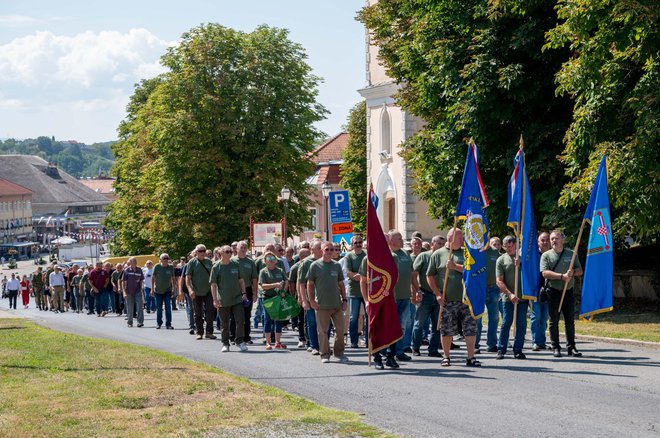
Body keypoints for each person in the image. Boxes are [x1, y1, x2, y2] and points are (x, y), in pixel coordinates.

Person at [427, 228, 481, 367]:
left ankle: (470, 357)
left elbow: (472, 272)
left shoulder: (467, 253)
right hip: (448, 300)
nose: (463, 240)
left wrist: (454, 266)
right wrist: (437, 294)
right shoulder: (438, 254)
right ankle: (446, 356)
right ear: (450, 239)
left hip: (467, 299)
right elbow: (430, 276)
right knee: (447, 329)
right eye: (460, 238)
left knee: (470, 329)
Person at [541, 230, 583, 358]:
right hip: (553, 291)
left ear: (562, 240)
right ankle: (556, 347)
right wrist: (562, 276)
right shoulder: (546, 255)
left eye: (556, 238)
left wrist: (573, 273)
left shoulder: (571, 254)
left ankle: (571, 347)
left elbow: (580, 270)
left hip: (568, 291)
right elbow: (544, 273)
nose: (553, 241)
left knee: (570, 321)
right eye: (552, 239)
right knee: (553, 321)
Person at [307, 242, 349, 363]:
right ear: (321, 251)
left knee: (340, 331)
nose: (330, 251)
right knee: (323, 332)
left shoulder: (336, 265)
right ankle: (325, 355)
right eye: (327, 249)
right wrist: (311, 300)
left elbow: (341, 284)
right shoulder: (315, 265)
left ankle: (339, 353)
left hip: (337, 304)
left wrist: (344, 300)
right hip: (322, 305)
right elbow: (309, 284)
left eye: (332, 249)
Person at [495, 235, 528, 359]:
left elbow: (531, 274)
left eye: (510, 246)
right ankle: (501, 349)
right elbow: (499, 281)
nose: (507, 249)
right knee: (506, 323)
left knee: (521, 324)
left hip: (523, 297)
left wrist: (521, 265)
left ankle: (518, 349)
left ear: (515, 245)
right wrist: (510, 294)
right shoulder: (501, 260)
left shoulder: (523, 258)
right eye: (505, 246)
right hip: (508, 298)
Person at [388, 230, 419, 362]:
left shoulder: (406, 254)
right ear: (391, 241)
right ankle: (388, 351)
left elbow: (412, 275)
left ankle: (399, 351)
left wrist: (417, 290)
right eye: (399, 238)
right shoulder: (387, 255)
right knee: (391, 325)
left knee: (402, 325)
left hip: (405, 296)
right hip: (392, 297)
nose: (402, 240)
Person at [211, 245, 248, 352]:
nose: (230, 253)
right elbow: (213, 284)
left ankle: (239, 341)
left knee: (240, 320)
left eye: (231, 251)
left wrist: (244, 293)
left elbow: (241, 280)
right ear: (221, 253)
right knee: (224, 323)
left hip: (237, 299)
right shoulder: (216, 267)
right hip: (223, 300)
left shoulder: (236, 265)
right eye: (227, 251)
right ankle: (225, 343)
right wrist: (215, 299)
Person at [412, 235, 444, 358]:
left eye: (443, 244)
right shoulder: (423, 256)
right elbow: (414, 274)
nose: (441, 246)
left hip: (440, 295)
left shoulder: (444, 257)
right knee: (419, 323)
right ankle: (415, 347)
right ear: (432, 244)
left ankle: (433, 349)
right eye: (439, 244)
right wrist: (416, 290)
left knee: (437, 325)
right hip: (425, 294)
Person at [476, 239, 503, 354]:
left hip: (493, 289)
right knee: (477, 318)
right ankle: (475, 344)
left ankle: (492, 344)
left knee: (494, 318)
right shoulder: (475, 251)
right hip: (478, 289)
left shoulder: (495, 252)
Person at [298, 239, 323, 355]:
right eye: (319, 248)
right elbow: (301, 283)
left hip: (324, 298)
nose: (321, 250)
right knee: (312, 322)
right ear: (312, 249)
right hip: (311, 298)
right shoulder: (306, 262)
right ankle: (314, 345)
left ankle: (324, 345)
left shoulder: (326, 260)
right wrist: (304, 300)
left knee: (325, 323)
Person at [259, 251, 288, 350]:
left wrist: (284, 290)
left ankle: (278, 342)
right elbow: (262, 285)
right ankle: (268, 342)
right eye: (268, 259)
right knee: (268, 320)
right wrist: (275, 285)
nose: (270, 261)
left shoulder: (279, 270)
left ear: (275, 260)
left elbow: (286, 281)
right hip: (268, 299)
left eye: (272, 259)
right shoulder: (263, 271)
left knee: (278, 320)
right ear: (265, 261)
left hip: (278, 298)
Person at [186, 244, 216, 340]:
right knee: (198, 313)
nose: (202, 253)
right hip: (196, 292)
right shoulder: (192, 262)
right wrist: (190, 290)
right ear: (196, 252)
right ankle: (199, 332)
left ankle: (209, 332)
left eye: (204, 251)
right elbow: (188, 278)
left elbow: (213, 276)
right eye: (200, 251)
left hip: (208, 291)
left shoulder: (209, 262)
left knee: (210, 312)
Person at [230, 241, 258, 345]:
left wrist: (255, 293)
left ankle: (246, 337)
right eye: (241, 247)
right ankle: (233, 337)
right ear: (236, 249)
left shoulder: (250, 262)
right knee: (234, 316)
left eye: (245, 247)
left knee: (247, 315)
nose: (243, 249)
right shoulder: (232, 261)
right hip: (234, 290)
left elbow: (254, 278)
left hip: (248, 290)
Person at [343, 235, 367, 349]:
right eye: (356, 242)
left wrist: (361, 277)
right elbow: (348, 272)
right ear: (352, 244)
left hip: (367, 291)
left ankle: (368, 340)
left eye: (360, 242)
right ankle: (354, 341)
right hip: (354, 292)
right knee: (354, 317)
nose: (358, 244)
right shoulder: (349, 256)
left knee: (368, 316)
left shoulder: (367, 255)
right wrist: (361, 277)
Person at [531, 232, 551, 351]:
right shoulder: (533, 256)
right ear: (538, 242)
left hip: (549, 291)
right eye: (542, 240)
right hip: (535, 290)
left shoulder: (552, 254)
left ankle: (542, 342)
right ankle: (535, 342)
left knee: (544, 318)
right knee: (536, 316)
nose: (545, 242)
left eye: (547, 240)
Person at [288, 248, 310, 348]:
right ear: (300, 257)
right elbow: (292, 283)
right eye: (305, 255)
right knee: (301, 319)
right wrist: (294, 296)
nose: (308, 257)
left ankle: (309, 339)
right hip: (299, 296)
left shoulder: (312, 264)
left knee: (308, 319)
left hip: (311, 296)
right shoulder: (295, 267)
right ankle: (301, 338)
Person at [152, 253, 175, 330]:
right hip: (158, 291)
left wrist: (173, 288)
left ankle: (168, 324)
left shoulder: (171, 267)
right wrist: (152, 289)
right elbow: (153, 278)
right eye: (164, 258)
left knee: (168, 307)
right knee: (159, 308)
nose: (166, 260)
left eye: (167, 258)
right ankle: (159, 323)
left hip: (167, 291)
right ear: (161, 259)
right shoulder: (157, 266)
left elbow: (173, 278)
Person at [123, 257, 145, 327]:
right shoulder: (126, 270)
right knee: (130, 307)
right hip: (129, 291)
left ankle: (140, 322)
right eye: (132, 262)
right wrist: (124, 292)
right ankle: (130, 322)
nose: (133, 263)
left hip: (137, 291)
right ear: (129, 263)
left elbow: (141, 280)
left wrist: (141, 289)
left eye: (135, 261)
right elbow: (123, 282)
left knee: (139, 307)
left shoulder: (139, 270)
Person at [179, 253, 196, 335]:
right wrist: (180, 291)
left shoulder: (200, 264)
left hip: (198, 290)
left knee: (198, 307)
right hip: (188, 290)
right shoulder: (186, 266)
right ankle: (192, 325)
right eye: (190, 257)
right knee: (191, 307)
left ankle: (197, 323)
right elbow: (182, 279)